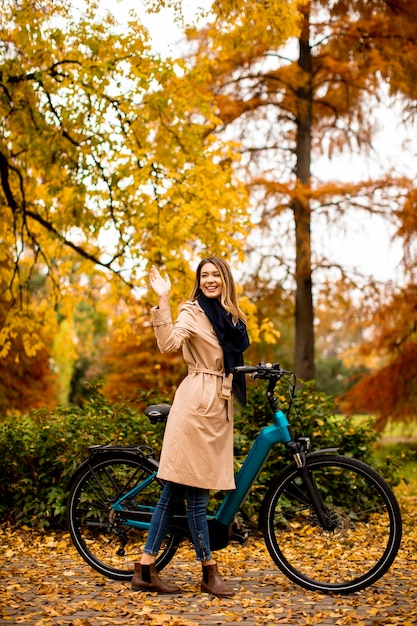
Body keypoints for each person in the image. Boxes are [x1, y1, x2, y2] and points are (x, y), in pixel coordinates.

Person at [131, 256, 250, 597]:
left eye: (216, 275)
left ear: (225, 279)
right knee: (193, 494)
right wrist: (163, 300)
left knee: (180, 492)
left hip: (217, 407)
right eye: (204, 276)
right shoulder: (192, 311)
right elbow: (168, 344)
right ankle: (208, 571)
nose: (210, 280)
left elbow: (227, 360)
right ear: (198, 281)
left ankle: (146, 567)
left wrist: (254, 371)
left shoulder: (231, 317)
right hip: (196, 404)